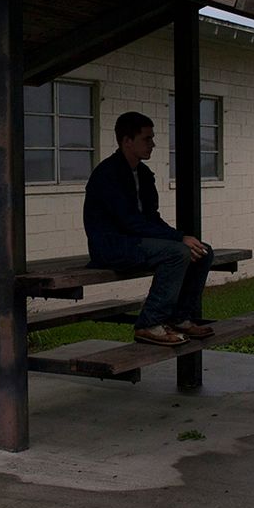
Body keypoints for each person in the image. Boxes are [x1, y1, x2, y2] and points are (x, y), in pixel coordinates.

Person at [83, 111, 215, 346]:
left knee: (202, 251)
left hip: (136, 242)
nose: (152, 144)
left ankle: (180, 318)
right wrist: (177, 240)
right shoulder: (107, 174)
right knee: (178, 252)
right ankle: (149, 323)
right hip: (112, 246)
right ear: (127, 141)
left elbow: (151, 218)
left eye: (152, 138)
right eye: (147, 139)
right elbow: (129, 222)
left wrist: (182, 237)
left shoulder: (143, 174)